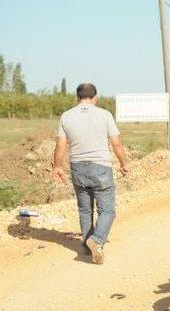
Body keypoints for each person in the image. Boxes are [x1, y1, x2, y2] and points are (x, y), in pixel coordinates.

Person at [52, 83, 129, 264]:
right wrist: (124, 163)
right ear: (95, 97)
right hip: (100, 167)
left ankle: (87, 247)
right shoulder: (105, 115)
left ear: (77, 98)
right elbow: (116, 143)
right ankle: (97, 240)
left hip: (78, 167)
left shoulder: (66, 116)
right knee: (107, 210)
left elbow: (61, 145)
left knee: (85, 210)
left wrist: (57, 167)